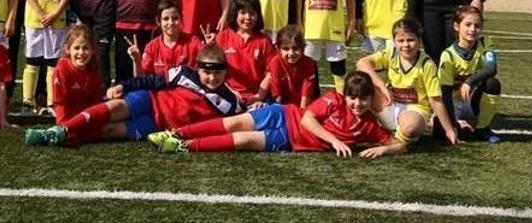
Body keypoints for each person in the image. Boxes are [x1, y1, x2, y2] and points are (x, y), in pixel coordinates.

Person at [24, 44, 243, 147]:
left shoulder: (230, 103)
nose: (212, 78)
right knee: (116, 107)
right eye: (207, 72)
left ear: (226, 72)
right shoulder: (184, 73)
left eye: (217, 73)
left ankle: (72, 136)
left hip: (157, 125)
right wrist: (124, 85)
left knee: (111, 131)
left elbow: (233, 124)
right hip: (149, 100)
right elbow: (151, 80)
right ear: (198, 68)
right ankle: (58, 131)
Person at [149, 72, 404, 158]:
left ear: (371, 100)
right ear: (345, 95)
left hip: (290, 141)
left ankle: (183, 147)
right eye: (353, 97)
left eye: (363, 98)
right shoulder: (334, 100)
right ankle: (175, 134)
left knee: (245, 140)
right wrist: (334, 140)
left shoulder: (369, 126)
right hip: (283, 116)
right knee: (234, 122)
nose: (357, 103)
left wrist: (383, 150)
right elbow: (307, 119)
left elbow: (400, 145)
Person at [356, 17, 458, 145]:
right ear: (394, 42)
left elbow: (435, 100)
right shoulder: (392, 54)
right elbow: (362, 63)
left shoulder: (427, 64)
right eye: (400, 41)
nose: (406, 45)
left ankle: (395, 141)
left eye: (410, 40)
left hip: (415, 109)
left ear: (419, 41)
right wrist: (382, 86)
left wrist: (449, 130)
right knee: (360, 80)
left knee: (410, 128)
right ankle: (354, 126)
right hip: (390, 104)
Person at [437, 6, 501, 143]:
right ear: (456, 26)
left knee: (492, 83)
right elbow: (445, 92)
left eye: (477, 26)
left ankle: (483, 127)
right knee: (447, 134)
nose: (472, 29)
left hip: (473, 101)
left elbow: (491, 68)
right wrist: (452, 124)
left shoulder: (485, 43)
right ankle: (458, 123)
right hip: (454, 104)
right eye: (467, 24)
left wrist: (469, 81)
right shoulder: (448, 55)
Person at [210, 0, 276, 108]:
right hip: (227, 95)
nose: (248, 17)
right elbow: (215, 71)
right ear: (235, 13)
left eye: (252, 13)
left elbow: (271, 74)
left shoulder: (264, 41)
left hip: (257, 99)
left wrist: (258, 96)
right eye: (243, 12)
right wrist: (229, 92)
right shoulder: (223, 37)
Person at [126, 0, 203, 76]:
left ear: (181, 20)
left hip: (186, 87)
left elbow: (210, 63)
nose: (171, 23)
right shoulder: (152, 47)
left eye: (175, 18)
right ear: (159, 21)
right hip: (160, 87)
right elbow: (140, 80)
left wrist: (211, 46)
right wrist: (136, 61)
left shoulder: (193, 42)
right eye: (166, 19)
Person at [52, 24, 105, 125]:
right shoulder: (62, 69)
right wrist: (64, 126)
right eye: (76, 48)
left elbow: (97, 101)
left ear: (92, 50)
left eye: (85, 48)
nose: (81, 53)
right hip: (68, 117)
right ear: (68, 49)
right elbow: (60, 102)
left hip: (87, 116)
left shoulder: (94, 69)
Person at [267, 25, 318, 109]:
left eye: (296, 48)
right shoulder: (275, 62)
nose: (291, 53)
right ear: (278, 49)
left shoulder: (309, 63)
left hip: (303, 104)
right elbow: (277, 93)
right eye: (286, 49)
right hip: (282, 104)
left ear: (302, 48)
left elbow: (306, 94)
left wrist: (301, 113)